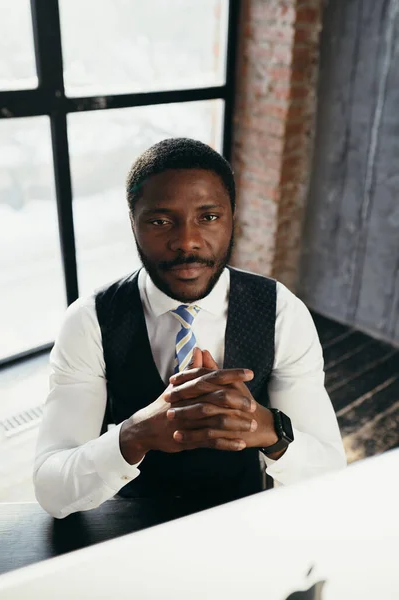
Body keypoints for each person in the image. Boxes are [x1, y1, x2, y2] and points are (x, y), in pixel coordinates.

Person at [33, 138, 346, 519]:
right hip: (125, 528)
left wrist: (270, 430)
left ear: (233, 216)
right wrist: (136, 434)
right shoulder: (89, 321)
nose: (187, 242)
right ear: (133, 223)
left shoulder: (281, 311)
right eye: (160, 221)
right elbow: (52, 490)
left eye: (209, 217)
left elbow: (331, 472)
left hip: (244, 519)